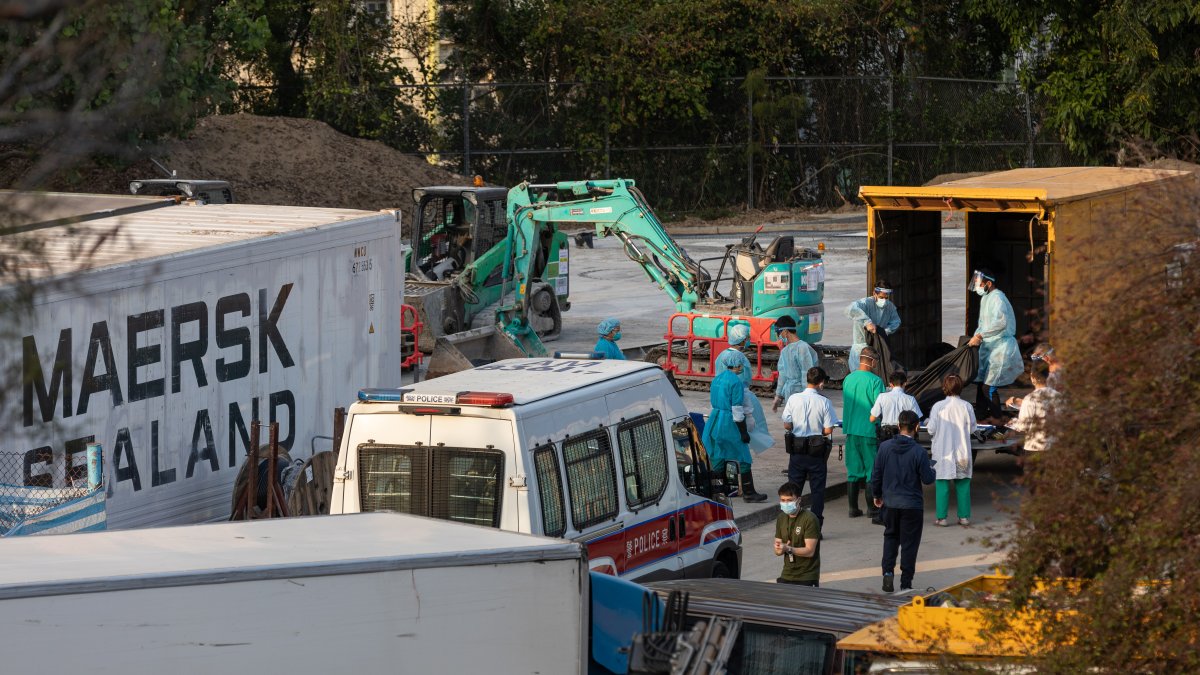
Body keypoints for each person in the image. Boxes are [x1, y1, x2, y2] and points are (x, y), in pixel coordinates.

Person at [871, 410, 936, 592]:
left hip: (890, 502)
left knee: (890, 537)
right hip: (912, 505)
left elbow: (876, 474)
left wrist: (877, 495)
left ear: (899, 426)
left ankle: (887, 573)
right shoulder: (919, 451)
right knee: (910, 543)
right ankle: (906, 583)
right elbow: (928, 479)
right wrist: (933, 469)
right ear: (917, 427)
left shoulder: (884, 447)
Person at [702, 349, 768, 502]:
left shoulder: (717, 379)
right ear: (737, 365)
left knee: (718, 455)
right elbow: (737, 410)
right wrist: (743, 432)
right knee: (743, 456)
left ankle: (718, 492)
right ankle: (749, 492)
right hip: (729, 422)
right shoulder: (736, 382)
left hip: (715, 420)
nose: (742, 367)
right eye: (741, 365)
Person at [781, 367, 839, 526]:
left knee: (793, 490)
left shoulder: (793, 399)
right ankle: (815, 527)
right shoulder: (824, 402)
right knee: (818, 491)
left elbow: (787, 425)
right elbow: (828, 429)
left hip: (797, 451)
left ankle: (791, 524)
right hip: (816, 451)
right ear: (821, 383)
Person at [966, 269, 1023, 419]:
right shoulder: (985, 298)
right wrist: (975, 337)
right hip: (988, 347)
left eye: (980, 284)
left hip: (1000, 347)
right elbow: (982, 324)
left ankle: (998, 420)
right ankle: (981, 417)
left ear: (989, 283)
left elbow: (1001, 322)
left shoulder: (998, 298)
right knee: (981, 384)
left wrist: (980, 335)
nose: (978, 287)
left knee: (988, 387)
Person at [842, 347, 887, 524]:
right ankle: (872, 510)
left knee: (853, 470)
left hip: (851, 430)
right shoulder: (876, 381)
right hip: (869, 431)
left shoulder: (848, 379)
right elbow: (880, 406)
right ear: (872, 361)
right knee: (871, 471)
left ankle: (853, 508)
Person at [926, 374, 976, 527]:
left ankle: (942, 518)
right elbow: (973, 428)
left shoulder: (938, 406)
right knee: (963, 484)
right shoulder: (966, 406)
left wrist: (928, 422)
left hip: (943, 453)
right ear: (961, 387)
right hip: (962, 452)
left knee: (942, 484)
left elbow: (931, 429)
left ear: (944, 388)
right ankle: (964, 517)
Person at [720, 322, 775, 454]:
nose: (749, 340)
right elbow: (741, 385)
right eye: (747, 338)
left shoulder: (721, 355)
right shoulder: (738, 358)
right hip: (739, 398)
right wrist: (748, 416)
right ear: (742, 339)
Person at [1005, 361, 1059, 465]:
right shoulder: (1058, 396)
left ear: (1032, 377)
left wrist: (1011, 422)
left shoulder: (1030, 399)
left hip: (1035, 447)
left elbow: (1023, 426)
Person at [845, 281, 901, 372]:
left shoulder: (890, 307)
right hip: (861, 347)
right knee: (860, 373)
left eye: (886, 298)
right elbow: (850, 309)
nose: (884, 300)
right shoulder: (865, 303)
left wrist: (884, 331)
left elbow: (896, 322)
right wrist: (867, 322)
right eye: (881, 297)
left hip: (877, 347)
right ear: (874, 293)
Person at [774, 482, 821, 586]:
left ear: (799, 500)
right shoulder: (781, 518)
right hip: (787, 573)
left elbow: (810, 551)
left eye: (789, 500)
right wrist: (779, 549)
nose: (786, 504)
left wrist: (788, 549)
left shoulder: (810, 519)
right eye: (783, 500)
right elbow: (777, 549)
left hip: (807, 575)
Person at [772, 315, 819, 413]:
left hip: (802, 393)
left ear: (785, 331)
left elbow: (807, 373)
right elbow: (783, 375)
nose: (779, 336)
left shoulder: (802, 348)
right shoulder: (785, 351)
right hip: (790, 394)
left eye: (779, 332)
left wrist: (807, 396)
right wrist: (778, 395)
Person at [870, 371, 922, 443]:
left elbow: (872, 419)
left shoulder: (882, 397)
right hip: (904, 434)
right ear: (905, 383)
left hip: (886, 435)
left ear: (890, 384)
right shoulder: (910, 399)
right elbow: (918, 421)